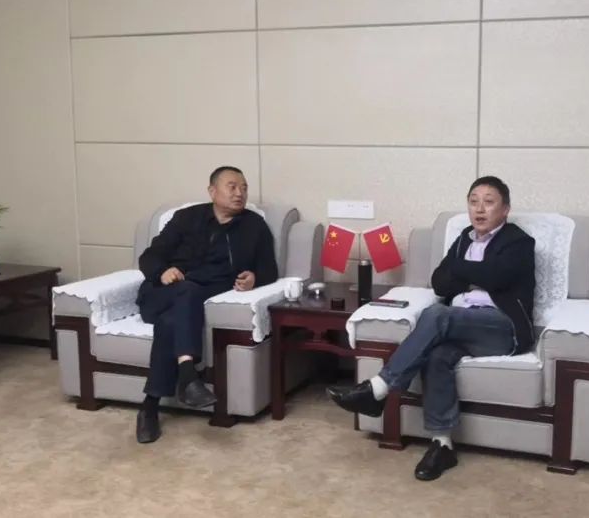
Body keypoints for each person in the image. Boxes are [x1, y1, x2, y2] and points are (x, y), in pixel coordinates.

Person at [327, 176, 536, 480]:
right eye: (473, 201)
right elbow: (439, 281)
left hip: (502, 327)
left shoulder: (519, 242)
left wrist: (461, 271)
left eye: (489, 202)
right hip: (462, 325)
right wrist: (474, 275)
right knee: (436, 356)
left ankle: (379, 388)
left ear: (505, 209)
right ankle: (442, 444)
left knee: (437, 314)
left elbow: (496, 277)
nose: (479, 209)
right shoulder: (464, 238)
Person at [134, 166, 278, 443]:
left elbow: (269, 269)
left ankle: (149, 407)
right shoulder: (186, 218)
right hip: (164, 293)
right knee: (185, 292)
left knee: (171, 322)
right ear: (212, 191)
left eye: (244, 188)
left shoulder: (254, 226)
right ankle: (188, 376)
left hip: (201, 298)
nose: (239, 193)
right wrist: (162, 271)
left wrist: (254, 278)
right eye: (232, 186)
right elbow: (150, 257)